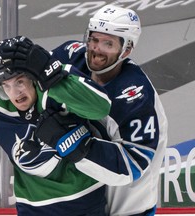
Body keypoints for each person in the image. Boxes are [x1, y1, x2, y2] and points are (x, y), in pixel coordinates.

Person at [0, 20, 154, 215]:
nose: (15, 93)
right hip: (32, 209)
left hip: (84, 205)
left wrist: (50, 73)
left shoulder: (57, 89)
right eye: (6, 86)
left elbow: (99, 107)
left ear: (34, 76)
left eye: (20, 81)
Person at [50, 4, 168, 216]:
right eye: (94, 40)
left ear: (127, 49)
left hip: (127, 211)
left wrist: (78, 146)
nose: (96, 49)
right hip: (84, 205)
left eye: (108, 43)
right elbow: (32, 74)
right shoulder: (74, 55)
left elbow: (133, 164)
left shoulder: (134, 95)